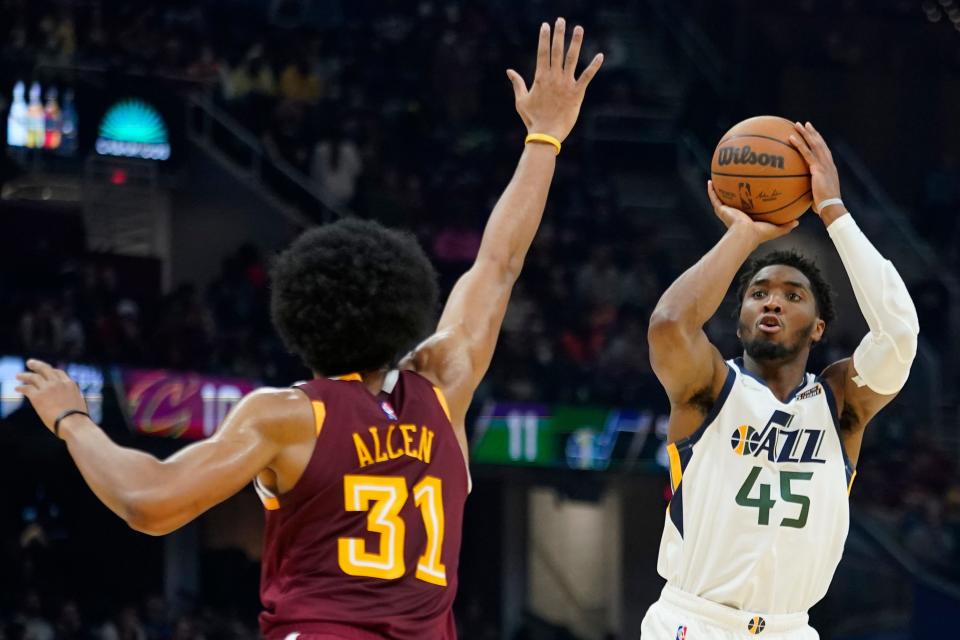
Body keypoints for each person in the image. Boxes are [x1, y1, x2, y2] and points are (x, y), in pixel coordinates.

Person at [14, 19, 603, 640]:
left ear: (298, 317)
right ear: (404, 309)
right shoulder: (443, 386)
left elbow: (149, 501)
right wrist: (544, 137)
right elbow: (498, 264)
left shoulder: (286, 417)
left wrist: (71, 420)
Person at [642, 122, 919, 639]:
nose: (772, 300)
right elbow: (668, 326)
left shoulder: (839, 401)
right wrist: (742, 235)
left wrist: (834, 212)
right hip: (694, 622)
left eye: (793, 295)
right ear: (740, 318)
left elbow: (900, 334)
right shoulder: (709, 390)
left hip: (790, 629)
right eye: (758, 292)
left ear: (819, 328)